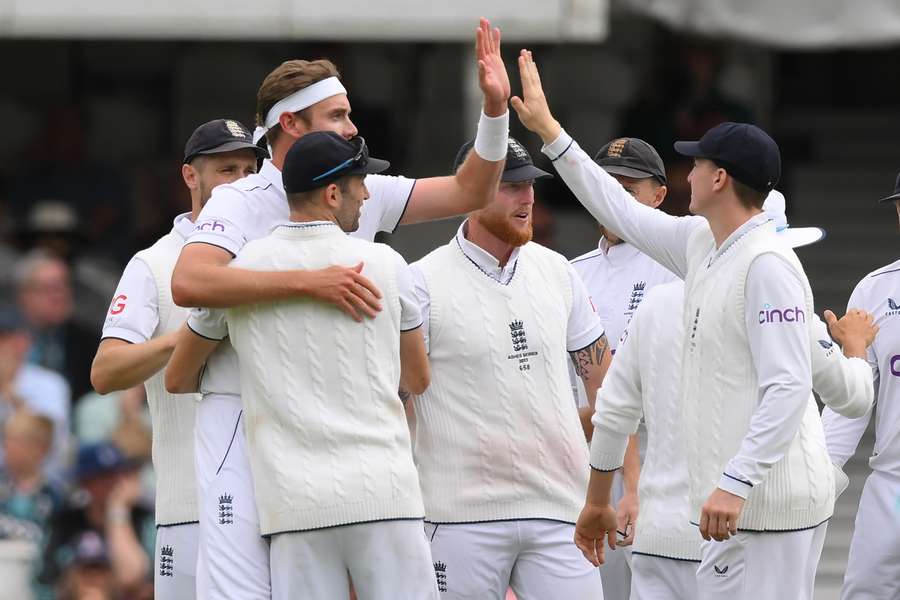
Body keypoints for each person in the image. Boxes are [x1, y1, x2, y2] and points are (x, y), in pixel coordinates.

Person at [167, 18, 512, 599]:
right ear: (289, 124)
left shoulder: (359, 186)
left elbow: (472, 192)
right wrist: (308, 281)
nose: (354, 128)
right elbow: (190, 280)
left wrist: (496, 111)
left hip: (335, 425)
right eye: (337, 116)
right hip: (241, 413)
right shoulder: (237, 198)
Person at [511, 49, 835, 599]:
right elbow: (622, 212)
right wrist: (549, 131)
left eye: (699, 164)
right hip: (732, 511)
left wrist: (734, 484)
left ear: (721, 179)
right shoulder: (703, 243)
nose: (689, 173)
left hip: (774, 510)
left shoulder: (768, 265)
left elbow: (787, 387)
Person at [169, 131, 435, 599]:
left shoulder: (240, 272)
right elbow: (417, 378)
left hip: (293, 507)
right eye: (360, 184)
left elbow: (177, 378)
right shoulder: (386, 263)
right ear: (333, 193)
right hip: (384, 494)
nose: (368, 194)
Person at [587, 194, 877, 599]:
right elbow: (853, 396)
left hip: (661, 534)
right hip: (741, 529)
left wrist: (597, 499)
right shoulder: (780, 301)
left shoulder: (653, 306)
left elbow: (613, 412)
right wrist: (857, 349)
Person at [407, 137, 610, 599]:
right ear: (472, 191)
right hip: (458, 516)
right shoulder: (421, 281)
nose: (528, 198)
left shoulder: (558, 271)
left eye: (530, 185)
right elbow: (399, 397)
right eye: (511, 186)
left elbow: (606, 390)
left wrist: (593, 480)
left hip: (560, 508)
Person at [89, 118, 264, 599]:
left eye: (251, 169)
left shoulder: (273, 256)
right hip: (189, 507)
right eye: (227, 169)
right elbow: (105, 372)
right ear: (191, 176)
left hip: (275, 507)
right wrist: (192, 334)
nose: (243, 182)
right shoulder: (155, 263)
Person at [568, 137, 678, 599]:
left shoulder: (678, 267)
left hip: (661, 460)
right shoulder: (570, 272)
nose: (613, 199)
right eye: (605, 186)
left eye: (627, 189)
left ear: (659, 196)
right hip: (583, 458)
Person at [822, 173, 900, 599]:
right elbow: (850, 397)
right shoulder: (874, 290)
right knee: (865, 591)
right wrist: (820, 469)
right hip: (893, 482)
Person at [38, 442, 155, 599]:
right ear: (85, 482)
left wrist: (117, 510)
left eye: (117, 475)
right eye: (102, 477)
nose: (113, 484)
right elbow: (45, 581)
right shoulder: (65, 522)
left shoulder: (142, 518)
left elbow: (132, 577)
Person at [0, 305, 71, 484]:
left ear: (25, 342)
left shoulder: (50, 384)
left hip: (41, 486)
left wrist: (9, 392)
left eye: (6, 337)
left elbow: (51, 442)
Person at [0, 410, 64, 600]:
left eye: (18, 442)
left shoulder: (58, 498)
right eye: (7, 441)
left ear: (42, 448)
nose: (8, 449)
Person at [15, 250, 95, 400]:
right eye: (48, 289)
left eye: (63, 286)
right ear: (24, 296)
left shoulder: (89, 342)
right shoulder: (6, 339)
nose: (59, 296)